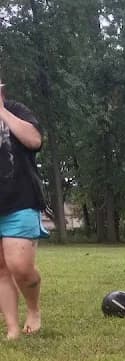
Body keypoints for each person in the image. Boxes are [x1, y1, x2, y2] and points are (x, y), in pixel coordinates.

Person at [0, 82, 47, 340]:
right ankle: (12, 328)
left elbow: (35, 140)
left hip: (21, 200)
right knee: (1, 269)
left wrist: (2, 111)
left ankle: (33, 310)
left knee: (20, 266)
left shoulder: (16, 110)